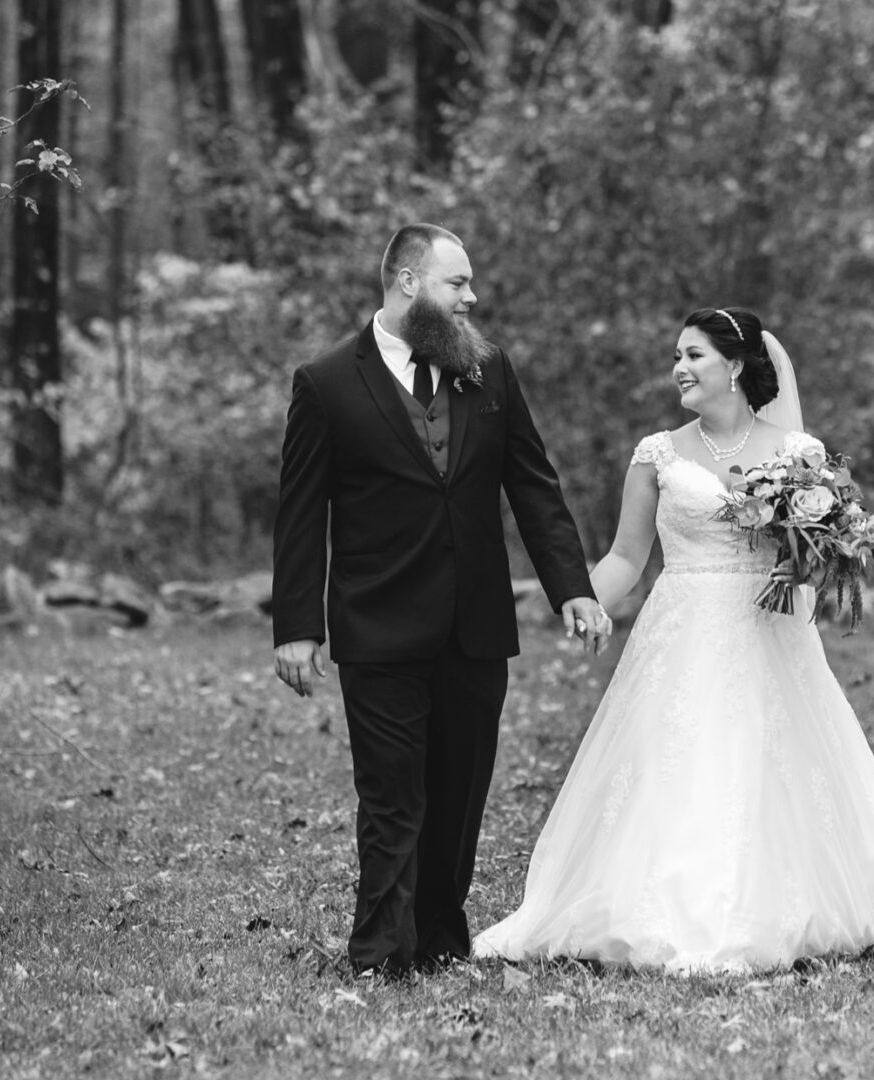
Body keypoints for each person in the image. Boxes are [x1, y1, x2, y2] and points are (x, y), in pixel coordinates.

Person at [473, 307, 874, 972]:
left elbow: (814, 566)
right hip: (682, 633)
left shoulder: (799, 456)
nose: (679, 369)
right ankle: (666, 905)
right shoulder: (657, 454)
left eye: (694, 355)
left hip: (769, 635)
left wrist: (815, 542)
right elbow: (627, 560)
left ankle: (777, 902)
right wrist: (579, 600)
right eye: (676, 356)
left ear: (737, 366)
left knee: (767, 759)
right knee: (683, 760)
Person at [272, 223, 612, 980]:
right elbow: (300, 513)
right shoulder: (326, 382)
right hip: (377, 624)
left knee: (458, 795)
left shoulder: (486, 371)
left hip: (475, 626)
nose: (472, 297)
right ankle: (379, 953)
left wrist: (573, 588)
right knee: (392, 797)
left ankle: (439, 939)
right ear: (407, 283)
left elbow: (533, 484)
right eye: (457, 283)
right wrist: (297, 627)